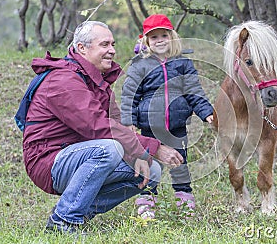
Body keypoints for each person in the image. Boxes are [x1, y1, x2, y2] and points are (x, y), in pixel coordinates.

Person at [22, 21, 184, 233]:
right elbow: (97, 127)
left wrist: (141, 154)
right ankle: (63, 219)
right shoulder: (63, 80)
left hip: (80, 155)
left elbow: (117, 123)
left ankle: (80, 213)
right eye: (105, 44)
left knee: (151, 169)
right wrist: (153, 147)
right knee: (110, 148)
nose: (112, 50)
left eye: (113, 44)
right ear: (82, 48)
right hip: (49, 161)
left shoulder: (96, 81)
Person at [120, 14, 213, 218]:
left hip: (177, 125)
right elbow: (130, 95)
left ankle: (184, 198)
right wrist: (129, 122)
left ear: (172, 38)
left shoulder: (182, 63)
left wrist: (206, 112)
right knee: (149, 165)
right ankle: (146, 200)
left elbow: (193, 90)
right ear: (146, 41)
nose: (160, 40)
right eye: (154, 38)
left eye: (164, 35)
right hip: (150, 127)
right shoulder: (139, 65)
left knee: (180, 163)